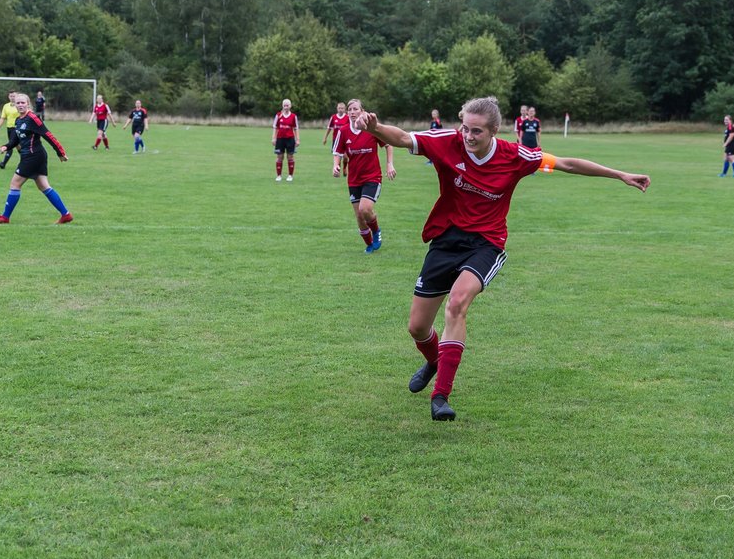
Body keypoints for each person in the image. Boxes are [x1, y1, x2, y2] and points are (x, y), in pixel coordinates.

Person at [356, 96, 649, 421]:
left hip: (486, 244)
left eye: (477, 131)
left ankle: (441, 396)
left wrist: (620, 174)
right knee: (417, 327)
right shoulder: (447, 141)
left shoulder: (515, 156)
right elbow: (403, 138)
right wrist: (376, 128)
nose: (468, 136)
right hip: (445, 241)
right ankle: (435, 360)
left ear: (495, 131)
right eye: (465, 128)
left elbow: (567, 163)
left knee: (457, 304)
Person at [0, 93, 73, 225]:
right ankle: (66, 214)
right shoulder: (18, 120)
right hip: (32, 156)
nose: (20, 105)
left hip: (33, 156)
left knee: (15, 184)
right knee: (44, 186)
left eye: (23, 102)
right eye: (18, 103)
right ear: (14, 105)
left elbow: (47, 135)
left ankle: (5, 217)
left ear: (28, 104)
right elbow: (15, 140)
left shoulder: (33, 118)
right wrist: (6, 146)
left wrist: (60, 152)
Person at [332, 99, 396, 253]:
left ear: (361, 111)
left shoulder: (371, 129)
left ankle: (376, 231)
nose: (352, 112)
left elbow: (388, 144)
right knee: (359, 218)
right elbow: (337, 152)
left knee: (364, 209)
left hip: (372, 177)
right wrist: (335, 165)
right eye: (350, 109)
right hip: (354, 180)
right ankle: (369, 245)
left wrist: (389, 164)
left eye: (355, 109)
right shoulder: (344, 131)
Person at [272, 98, 300, 181]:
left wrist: (297, 139)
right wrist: (273, 138)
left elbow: (296, 128)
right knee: (279, 157)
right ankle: (279, 176)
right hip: (280, 139)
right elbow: (275, 127)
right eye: (284, 105)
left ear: (290, 106)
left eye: (287, 105)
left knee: (290, 157)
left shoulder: (293, 116)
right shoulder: (278, 115)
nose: (286, 107)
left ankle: (290, 175)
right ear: (282, 106)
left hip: (290, 139)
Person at [0, 90, 19, 169]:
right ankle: (27, 161)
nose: (12, 98)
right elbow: (3, 118)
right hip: (9, 128)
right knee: (17, 146)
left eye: (14, 96)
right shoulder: (6, 106)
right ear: (8, 97)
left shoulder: (19, 105)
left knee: (11, 145)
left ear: (17, 96)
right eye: (11, 96)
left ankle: (3, 163)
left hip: (17, 128)